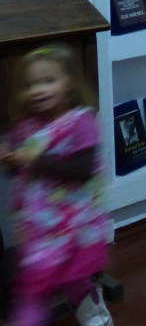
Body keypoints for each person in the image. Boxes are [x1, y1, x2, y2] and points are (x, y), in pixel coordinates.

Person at [0, 43, 114, 326]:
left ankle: (97, 319)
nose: (38, 90)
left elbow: (85, 169)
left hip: (75, 226)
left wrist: (34, 161)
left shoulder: (80, 121)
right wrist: (10, 160)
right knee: (34, 288)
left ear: (70, 84)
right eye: (29, 84)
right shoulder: (23, 127)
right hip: (39, 229)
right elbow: (20, 175)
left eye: (48, 81)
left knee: (75, 281)